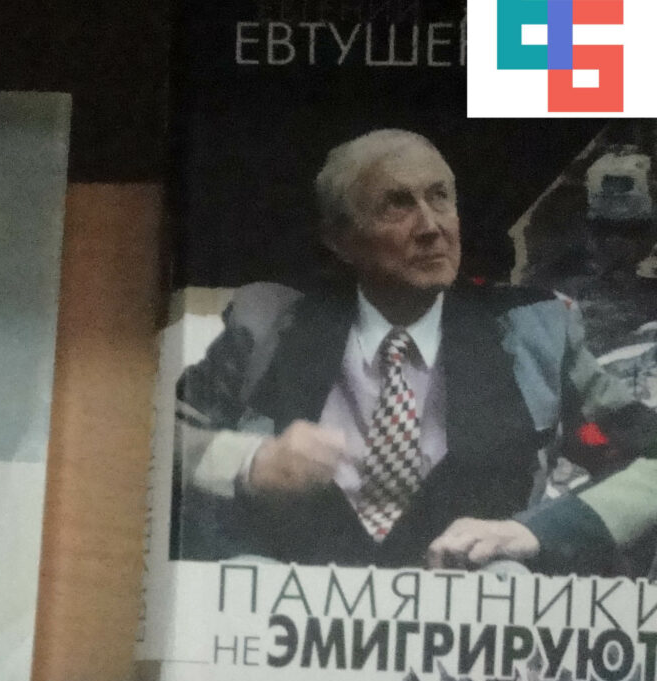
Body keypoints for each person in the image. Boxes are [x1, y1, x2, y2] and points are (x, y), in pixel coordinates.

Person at [175, 128, 657, 572]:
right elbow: (161, 439)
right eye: (397, 204)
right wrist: (248, 461)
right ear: (340, 239)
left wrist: (536, 533)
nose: (431, 227)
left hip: (478, 624)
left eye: (440, 197)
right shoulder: (267, 325)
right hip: (288, 622)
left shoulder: (537, 334)